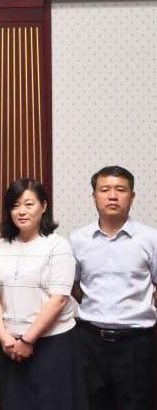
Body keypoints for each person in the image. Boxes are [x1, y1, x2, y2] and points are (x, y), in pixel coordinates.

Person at [0, 178, 87, 410]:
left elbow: (59, 299)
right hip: (11, 346)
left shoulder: (57, 245)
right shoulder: (1, 246)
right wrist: (4, 338)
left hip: (53, 344)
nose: (21, 211)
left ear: (43, 206)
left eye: (29, 204)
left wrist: (27, 340)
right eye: (15, 205)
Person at [70, 165, 157, 410]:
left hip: (136, 344)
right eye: (105, 189)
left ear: (132, 196)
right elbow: (74, 286)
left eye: (120, 189)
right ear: (94, 196)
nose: (112, 196)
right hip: (90, 341)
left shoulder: (150, 239)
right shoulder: (78, 239)